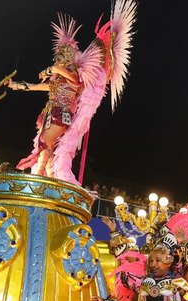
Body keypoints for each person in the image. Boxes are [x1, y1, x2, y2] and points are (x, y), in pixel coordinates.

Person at [8, 1, 136, 184]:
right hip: (49, 114)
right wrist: (18, 86)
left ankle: (37, 180)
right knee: (45, 147)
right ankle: (48, 179)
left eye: (63, 57)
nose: (59, 60)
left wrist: (52, 69)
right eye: (58, 57)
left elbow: (72, 80)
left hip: (62, 115)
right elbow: (41, 87)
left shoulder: (75, 75)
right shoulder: (58, 79)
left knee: (45, 142)